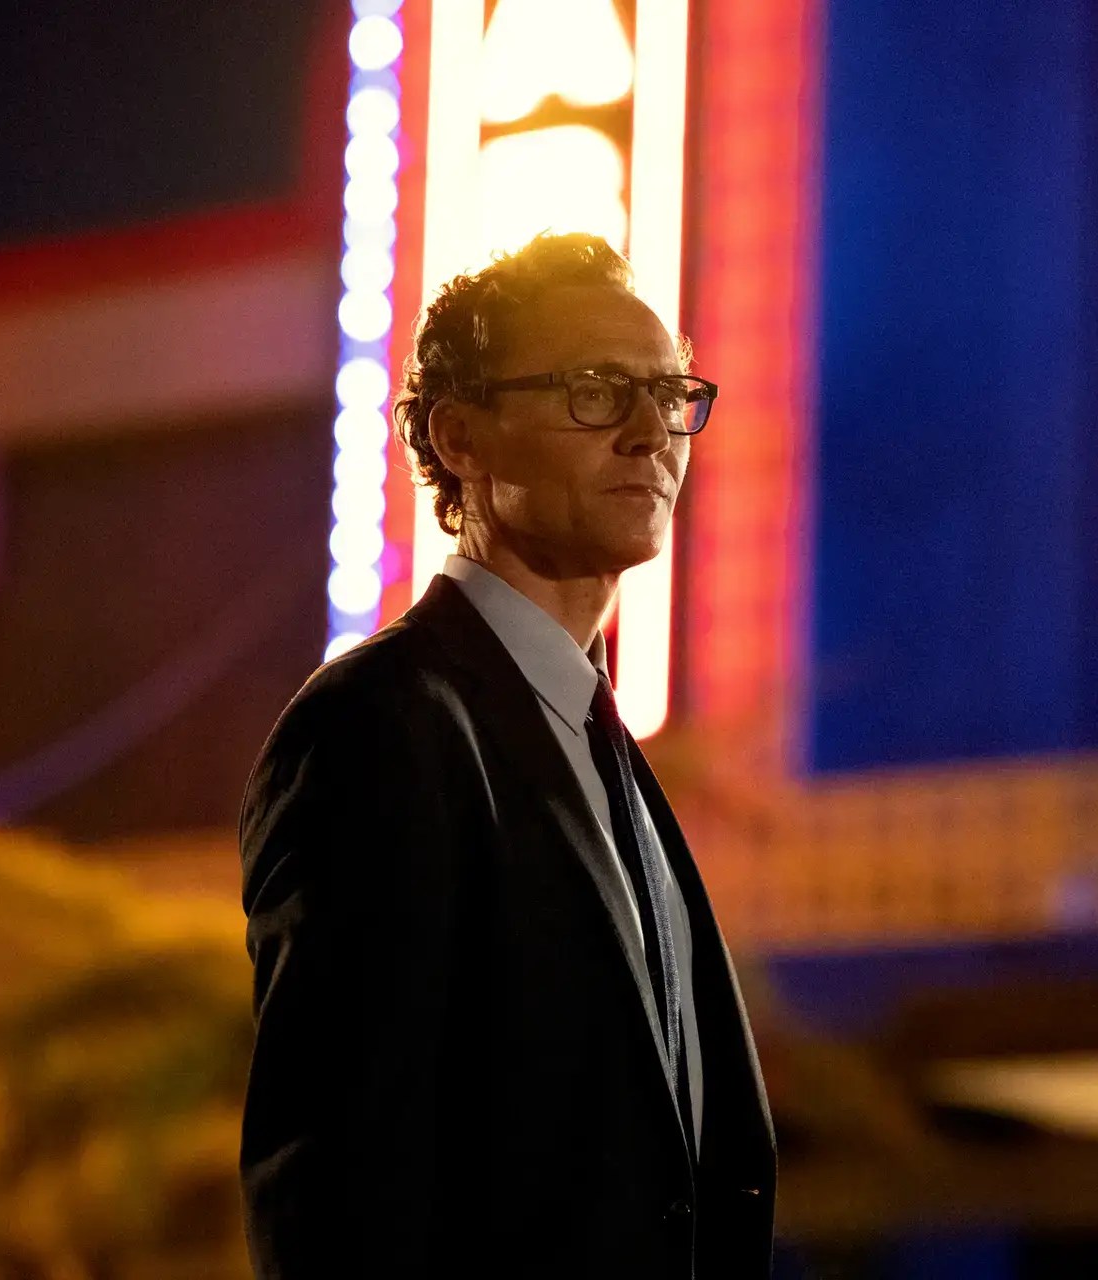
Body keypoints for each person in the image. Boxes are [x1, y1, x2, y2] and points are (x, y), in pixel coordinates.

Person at [237, 232, 776, 1278]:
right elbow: (337, 1181)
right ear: (460, 435)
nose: (648, 434)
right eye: (593, 391)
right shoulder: (378, 725)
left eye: (668, 395)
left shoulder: (605, 751)